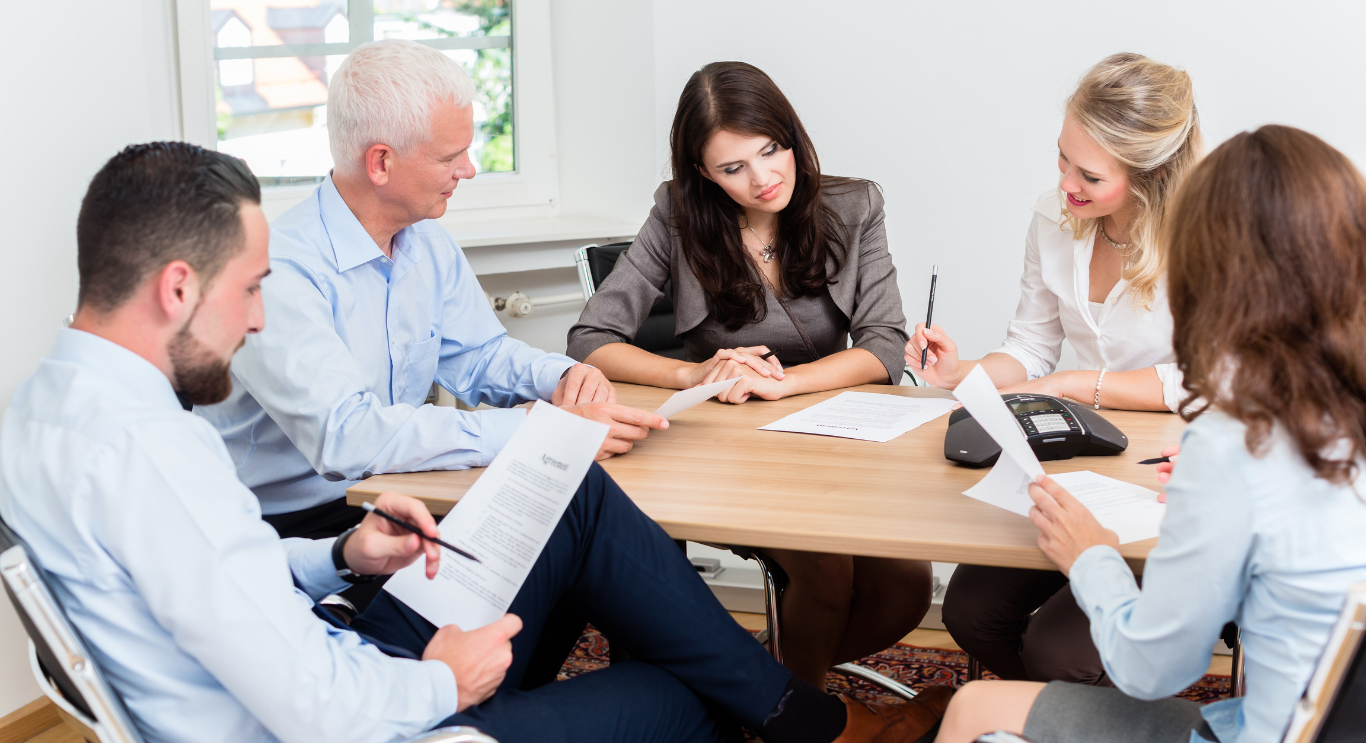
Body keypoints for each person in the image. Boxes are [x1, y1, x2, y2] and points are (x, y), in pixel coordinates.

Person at [0, 141, 955, 743]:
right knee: (685, 699)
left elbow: (211, 580)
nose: (258, 321)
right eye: (250, 291)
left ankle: (793, 713)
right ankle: (805, 723)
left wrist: (339, 554)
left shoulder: (54, 413)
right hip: (359, 711)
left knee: (569, 495)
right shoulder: (149, 454)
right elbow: (312, 712)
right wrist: (438, 680)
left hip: (337, 651)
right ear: (176, 286)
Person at [935, 124, 1366, 743]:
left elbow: (1151, 668)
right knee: (980, 610)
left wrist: (1092, 553)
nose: (1067, 186)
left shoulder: (1235, 448)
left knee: (974, 708)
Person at [195, 39, 661, 549]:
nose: (469, 169)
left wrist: (564, 377)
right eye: (450, 155)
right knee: (559, 535)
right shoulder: (281, 271)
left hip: (397, 491)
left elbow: (480, 356)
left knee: (575, 522)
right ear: (380, 163)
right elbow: (347, 438)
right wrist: (530, 429)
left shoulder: (426, 242)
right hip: (292, 529)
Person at [566, 61, 931, 688]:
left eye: (771, 151)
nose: (763, 179)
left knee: (905, 592)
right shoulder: (679, 214)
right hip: (729, 447)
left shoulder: (855, 204)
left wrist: (786, 383)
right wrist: (693, 375)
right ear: (703, 172)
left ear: (792, 137)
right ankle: (797, 712)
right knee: (825, 575)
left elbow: (883, 347)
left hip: (836, 436)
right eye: (733, 168)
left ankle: (745, 687)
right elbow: (590, 340)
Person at [909, 53, 1204, 686]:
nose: (1067, 182)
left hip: (1171, 478)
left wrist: (1074, 385)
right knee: (970, 613)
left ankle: (1089, 715)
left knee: (1057, 649)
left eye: (1090, 174)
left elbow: (1205, 382)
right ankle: (1062, 718)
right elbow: (1032, 348)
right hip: (1084, 463)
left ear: (1149, 173)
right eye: (1063, 157)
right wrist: (962, 372)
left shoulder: (1206, 237)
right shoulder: (1054, 218)